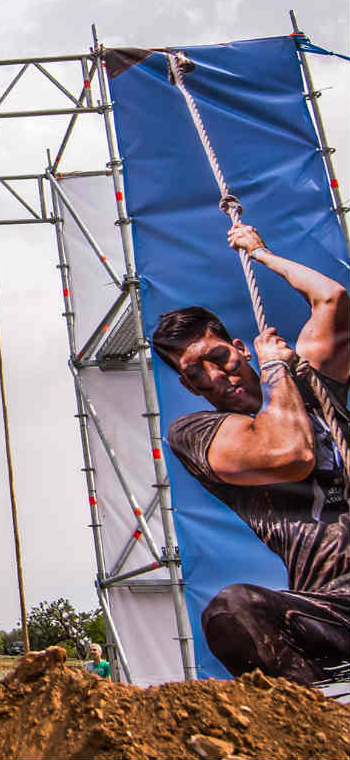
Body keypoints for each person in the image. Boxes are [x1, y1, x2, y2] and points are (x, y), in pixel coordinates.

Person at [152, 223, 349, 685]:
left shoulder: (312, 384)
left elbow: (334, 299)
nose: (217, 376)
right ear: (189, 387)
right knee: (233, 611)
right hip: (333, 603)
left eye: (218, 356)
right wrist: (277, 366)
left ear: (240, 348)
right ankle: (323, 721)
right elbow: (290, 454)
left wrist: (261, 254)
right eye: (197, 373)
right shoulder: (197, 433)